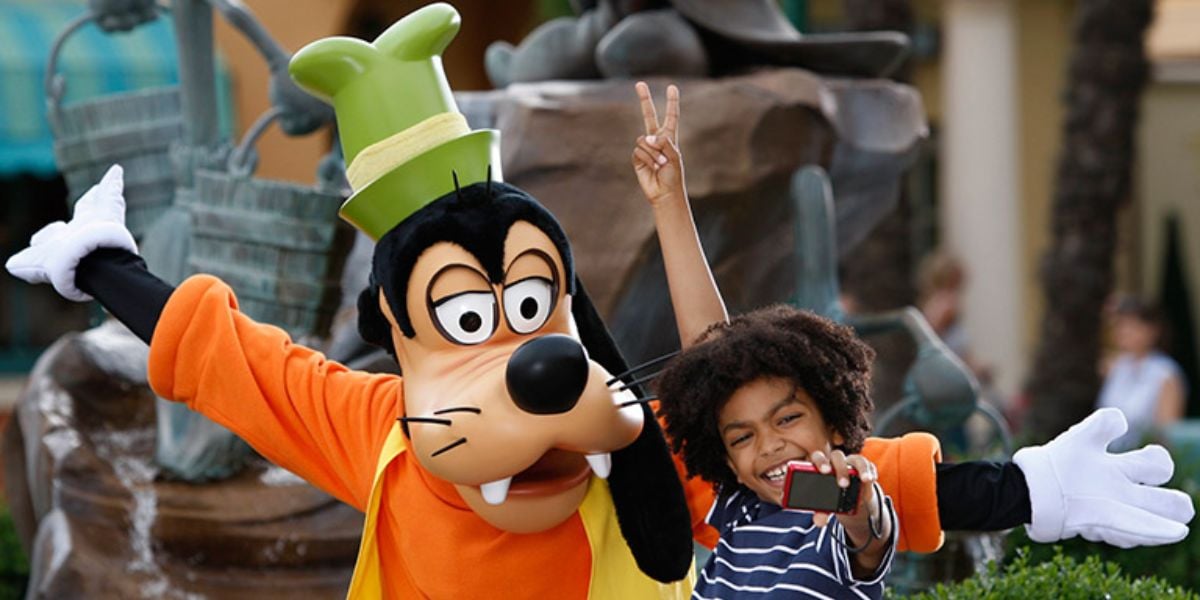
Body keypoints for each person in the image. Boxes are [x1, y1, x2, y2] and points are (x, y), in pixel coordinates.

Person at [657, 306, 898, 598]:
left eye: (787, 419)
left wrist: (857, 504)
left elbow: (870, 536)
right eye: (743, 437)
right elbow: (707, 352)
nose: (769, 445)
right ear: (731, 465)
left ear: (833, 423)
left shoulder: (831, 524)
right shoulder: (741, 509)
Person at [1099, 295, 1187, 451]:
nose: (1124, 332)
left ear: (1152, 330)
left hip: (1139, 458)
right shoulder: (1117, 366)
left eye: (1132, 326)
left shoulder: (1165, 374)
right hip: (1107, 454)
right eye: (1120, 326)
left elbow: (1167, 432)